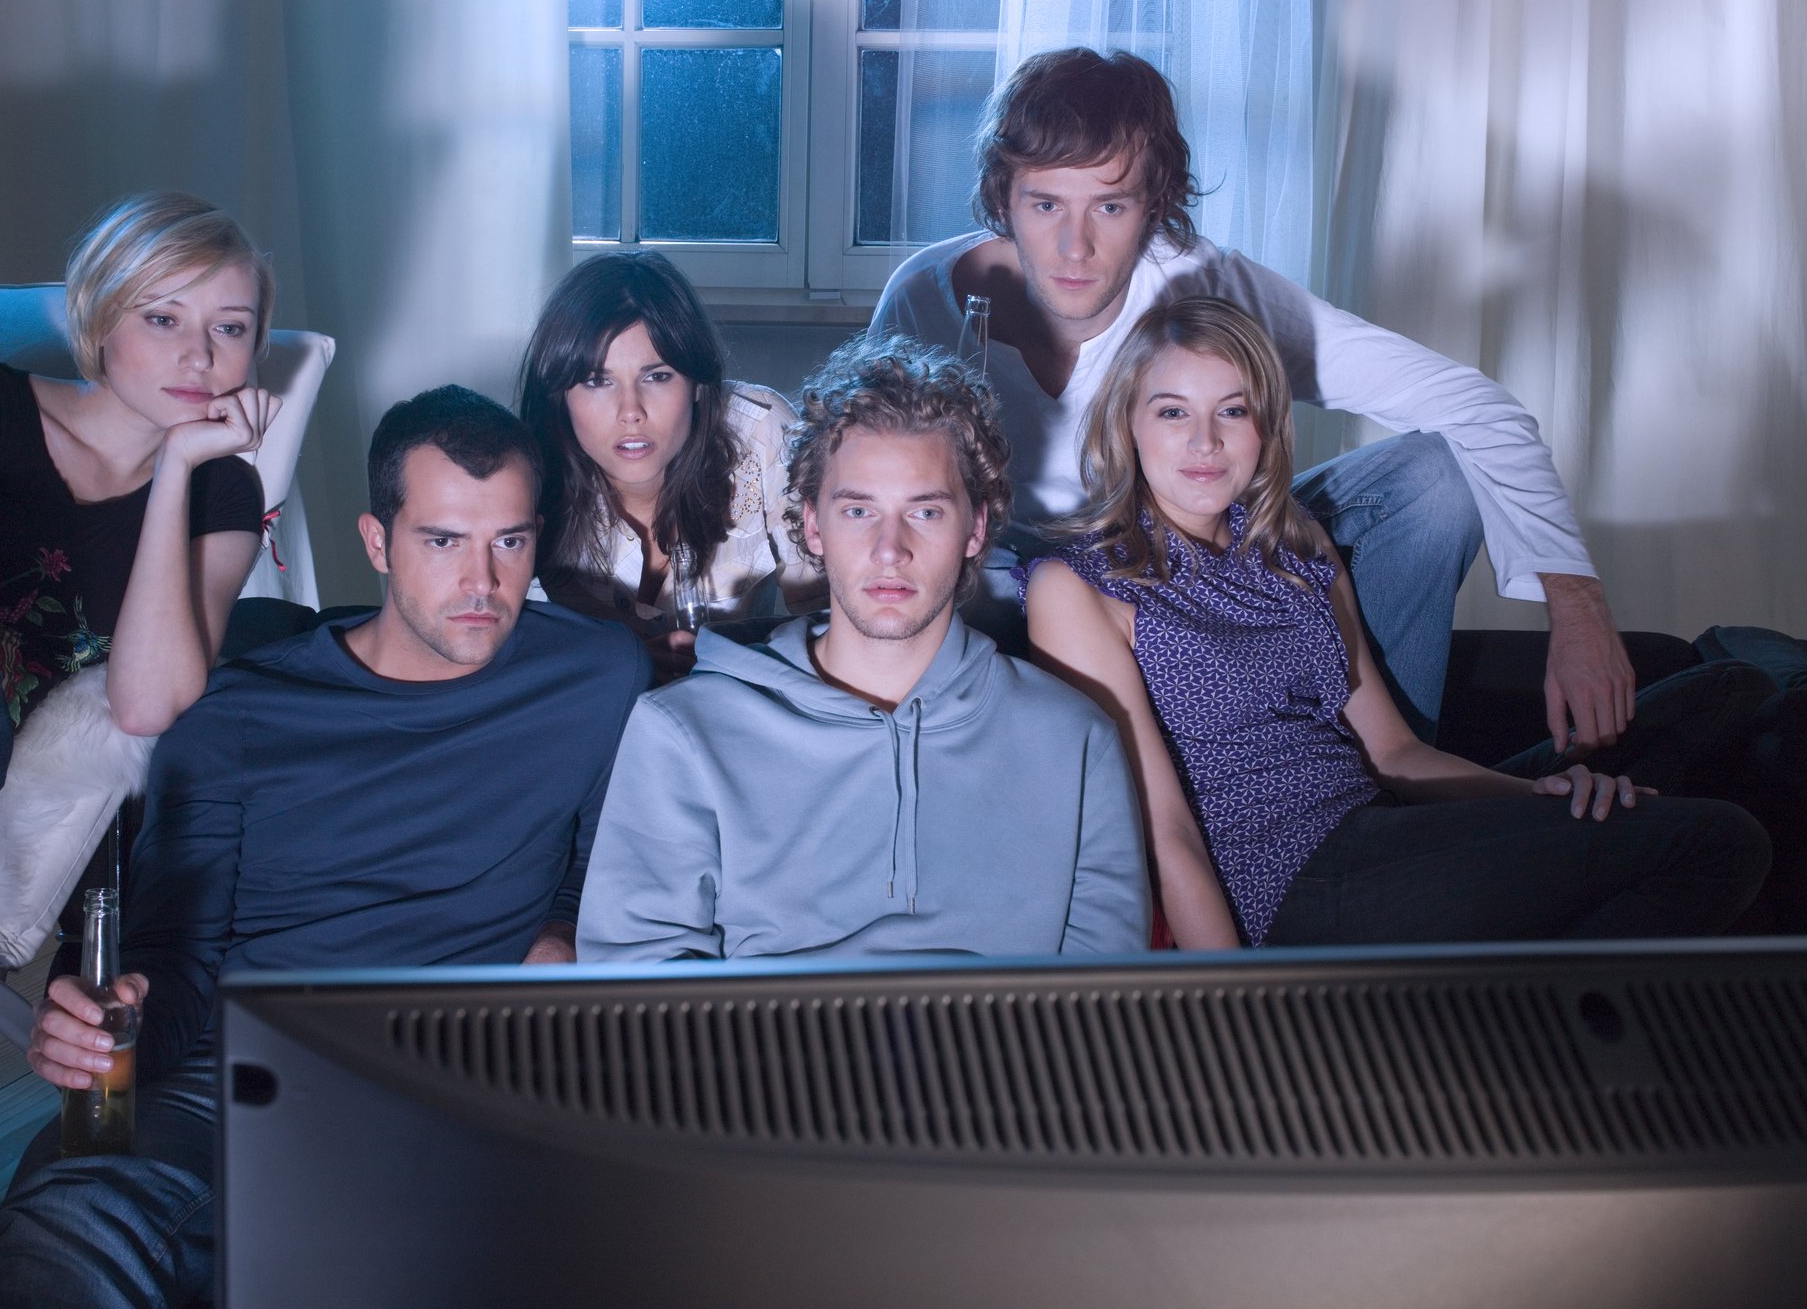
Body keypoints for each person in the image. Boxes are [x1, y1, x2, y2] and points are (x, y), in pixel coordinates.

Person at [0, 387, 649, 1309]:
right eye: (444, 540)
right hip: (242, 1080)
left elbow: (613, 867)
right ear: (377, 540)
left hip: (463, 1092)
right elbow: (175, 954)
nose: (481, 583)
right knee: (69, 1215)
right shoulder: (238, 713)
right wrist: (111, 1018)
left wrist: (567, 933)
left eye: (510, 543)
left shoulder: (594, 677)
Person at [871, 47, 1632, 751]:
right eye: (1045, 206)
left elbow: (1474, 406)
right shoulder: (924, 299)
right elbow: (862, 485)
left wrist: (1577, 612)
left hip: (1182, 569)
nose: (1075, 248)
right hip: (1010, 587)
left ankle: (1386, 778)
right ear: (1003, 198)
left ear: (1155, 203)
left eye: (1109, 207)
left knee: (1433, 482)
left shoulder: (1207, 285)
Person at [1021, 296, 1770, 949]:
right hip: (1292, 884)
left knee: (1726, 691)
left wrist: (1539, 797)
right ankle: (1536, 1051)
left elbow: (1395, 754)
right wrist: (1231, 1009)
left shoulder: (1293, 543)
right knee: (1718, 842)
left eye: (1233, 410)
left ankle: (1490, 970)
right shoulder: (1080, 585)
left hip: (1378, 829)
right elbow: (1162, 830)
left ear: (1265, 427)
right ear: (1127, 422)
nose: (1204, 442)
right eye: (1172, 411)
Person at [577, 332, 1150, 964]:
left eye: (925, 512)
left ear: (976, 527)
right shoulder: (681, 734)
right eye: (858, 512)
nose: (889, 550)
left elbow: (1101, 1008)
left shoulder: (1076, 740)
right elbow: (637, 1002)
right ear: (814, 527)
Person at [0, 190, 277, 946]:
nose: (199, 355)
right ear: (100, 320)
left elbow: (145, 708)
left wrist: (179, 468)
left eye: (229, 329)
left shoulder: (222, 493)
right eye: (162, 319)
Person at [518, 252, 824, 681]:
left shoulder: (761, 434)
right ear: (559, 394)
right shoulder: (524, 479)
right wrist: (625, 660)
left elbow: (827, 618)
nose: (631, 412)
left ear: (698, 382)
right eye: (596, 380)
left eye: (656, 376)